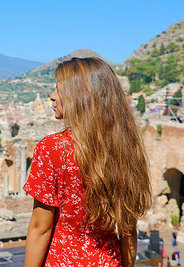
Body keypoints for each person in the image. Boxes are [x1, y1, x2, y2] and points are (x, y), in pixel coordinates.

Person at [23, 58, 152, 267]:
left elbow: (41, 228)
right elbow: (128, 229)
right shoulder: (127, 149)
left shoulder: (52, 148)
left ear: (79, 96)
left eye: (59, 89)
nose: (52, 96)